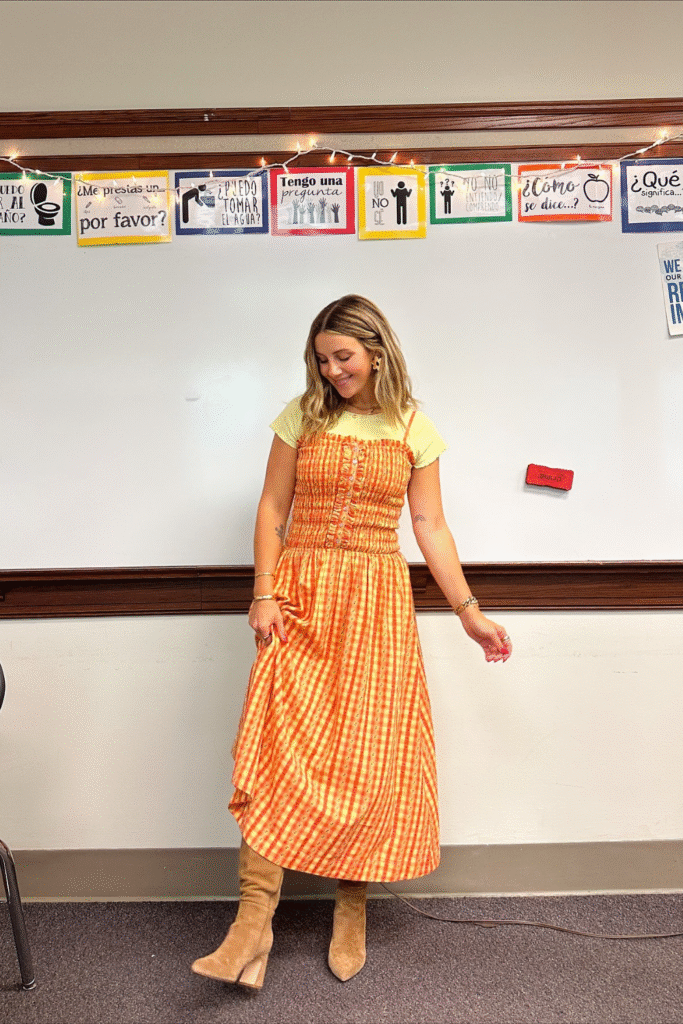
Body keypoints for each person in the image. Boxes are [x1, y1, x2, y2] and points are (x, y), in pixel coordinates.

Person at [191, 294, 512, 990]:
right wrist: (263, 591)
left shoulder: (413, 424)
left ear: (377, 352)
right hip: (301, 596)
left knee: (366, 754)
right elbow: (273, 506)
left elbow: (429, 524)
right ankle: (252, 922)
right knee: (276, 746)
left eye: (343, 357)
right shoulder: (301, 415)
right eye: (321, 359)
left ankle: (352, 905)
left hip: (374, 602)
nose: (332, 370)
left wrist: (469, 612)